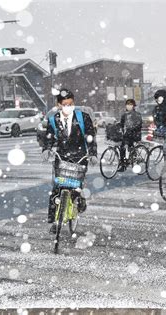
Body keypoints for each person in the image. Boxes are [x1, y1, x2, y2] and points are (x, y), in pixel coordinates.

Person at [42, 89, 97, 233]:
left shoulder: (82, 117)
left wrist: (92, 154)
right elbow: (49, 137)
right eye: (65, 104)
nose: (68, 106)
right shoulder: (54, 119)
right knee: (57, 188)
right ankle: (55, 220)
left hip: (80, 155)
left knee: (75, 186)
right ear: (59, 105)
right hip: (62, 156)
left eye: (70, 104)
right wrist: (46, 149)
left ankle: (79, 198)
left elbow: (90, 136)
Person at [119, 98, 142, 171]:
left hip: (135, 134)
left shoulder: (137, 114)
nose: (129, 106)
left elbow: (139, 125)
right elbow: (121, 124)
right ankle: (126, 161)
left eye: (130, 104)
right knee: (123, 146)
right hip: (127, 134)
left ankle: (124, 164)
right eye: (127, 104)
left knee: (124, 146)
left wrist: (132, 129)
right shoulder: (124, 115)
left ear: (133, 106)